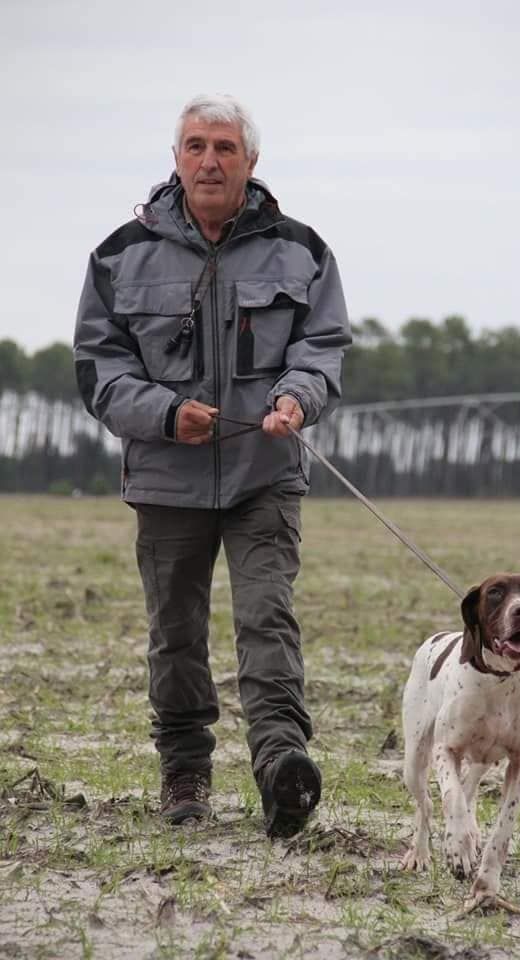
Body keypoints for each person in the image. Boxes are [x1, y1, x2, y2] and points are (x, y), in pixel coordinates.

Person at [74, 94, 351, 837]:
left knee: (268, 620)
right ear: (175, 160)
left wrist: (297, 397)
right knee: (176, 633)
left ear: (251, 162)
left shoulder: (303, 250)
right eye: (195, 146)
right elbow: (98, 369)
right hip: (167, 479)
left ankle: (281, 766)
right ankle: (185, 771)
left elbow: (320, 348)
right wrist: (165, 414)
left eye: (225, 147)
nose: (209, 160)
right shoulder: (119, 254)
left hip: (265, 472)